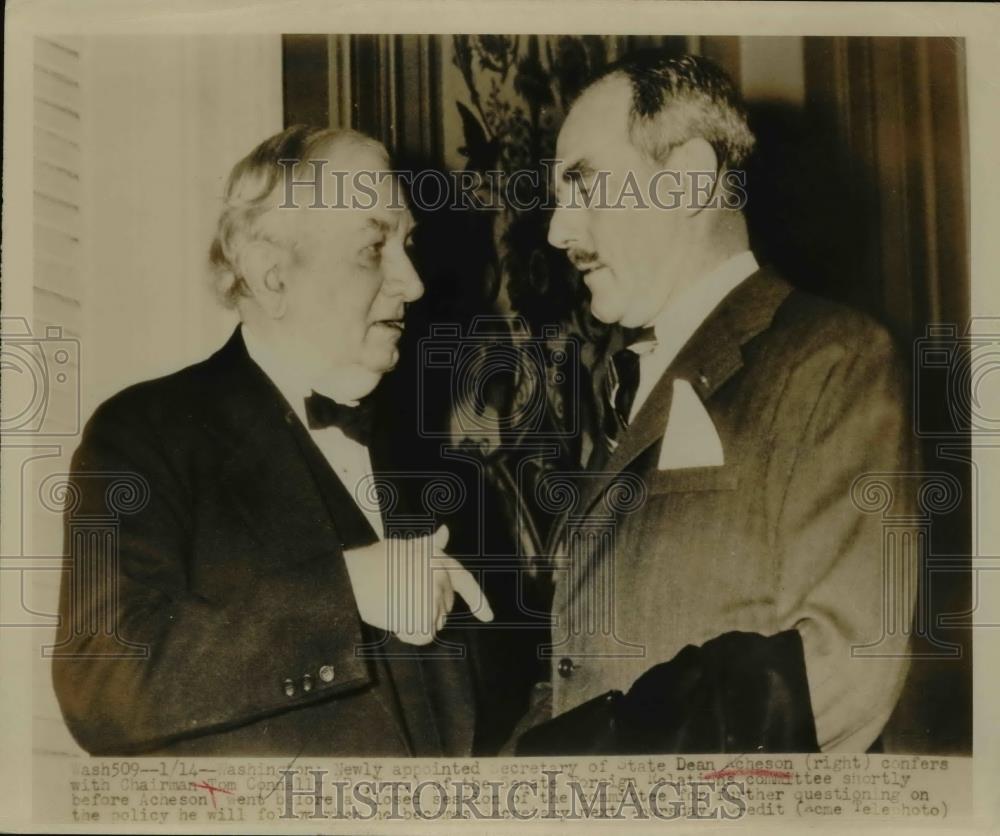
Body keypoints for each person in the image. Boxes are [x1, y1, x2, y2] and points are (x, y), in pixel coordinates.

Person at [514, 52, 917, 755]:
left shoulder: (833, 357)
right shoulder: (617, 381)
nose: (558, 231)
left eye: (581, 183)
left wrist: (577, 771)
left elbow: (845, 663)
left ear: (689, 179)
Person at [52, 125, 492, 756]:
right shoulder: (145, 434)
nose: (413, 282)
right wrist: (344, 593)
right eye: (374, 247)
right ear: (272, 275)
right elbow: (99, 683)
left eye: (408, 243)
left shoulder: (442, 474)